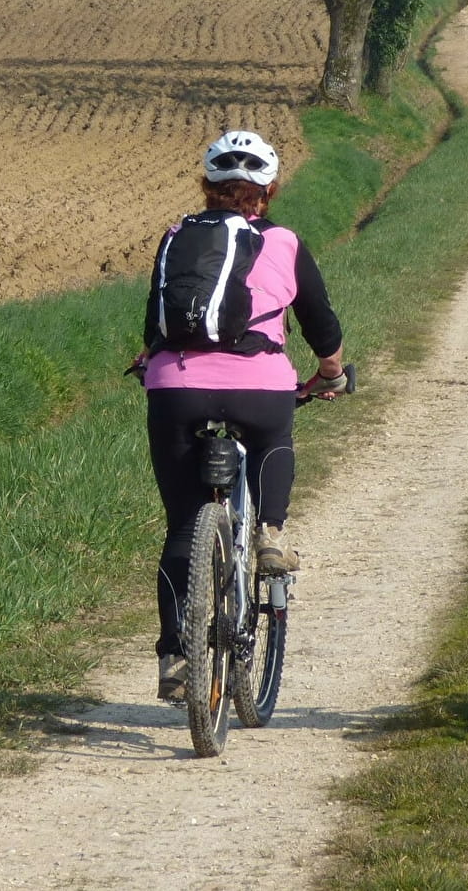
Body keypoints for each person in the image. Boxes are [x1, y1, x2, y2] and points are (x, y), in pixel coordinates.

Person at [131, 130, 347, 701]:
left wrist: (151, 357)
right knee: (274, 431)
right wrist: (330, 374)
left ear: (207, 187)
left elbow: (158, 320)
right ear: (268, 191)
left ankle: (175, 658)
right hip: (261, 386)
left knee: (182, 527)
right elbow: (321, 325)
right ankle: (271, 533)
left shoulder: (178, 236)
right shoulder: (285, 243)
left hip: (175, 387)